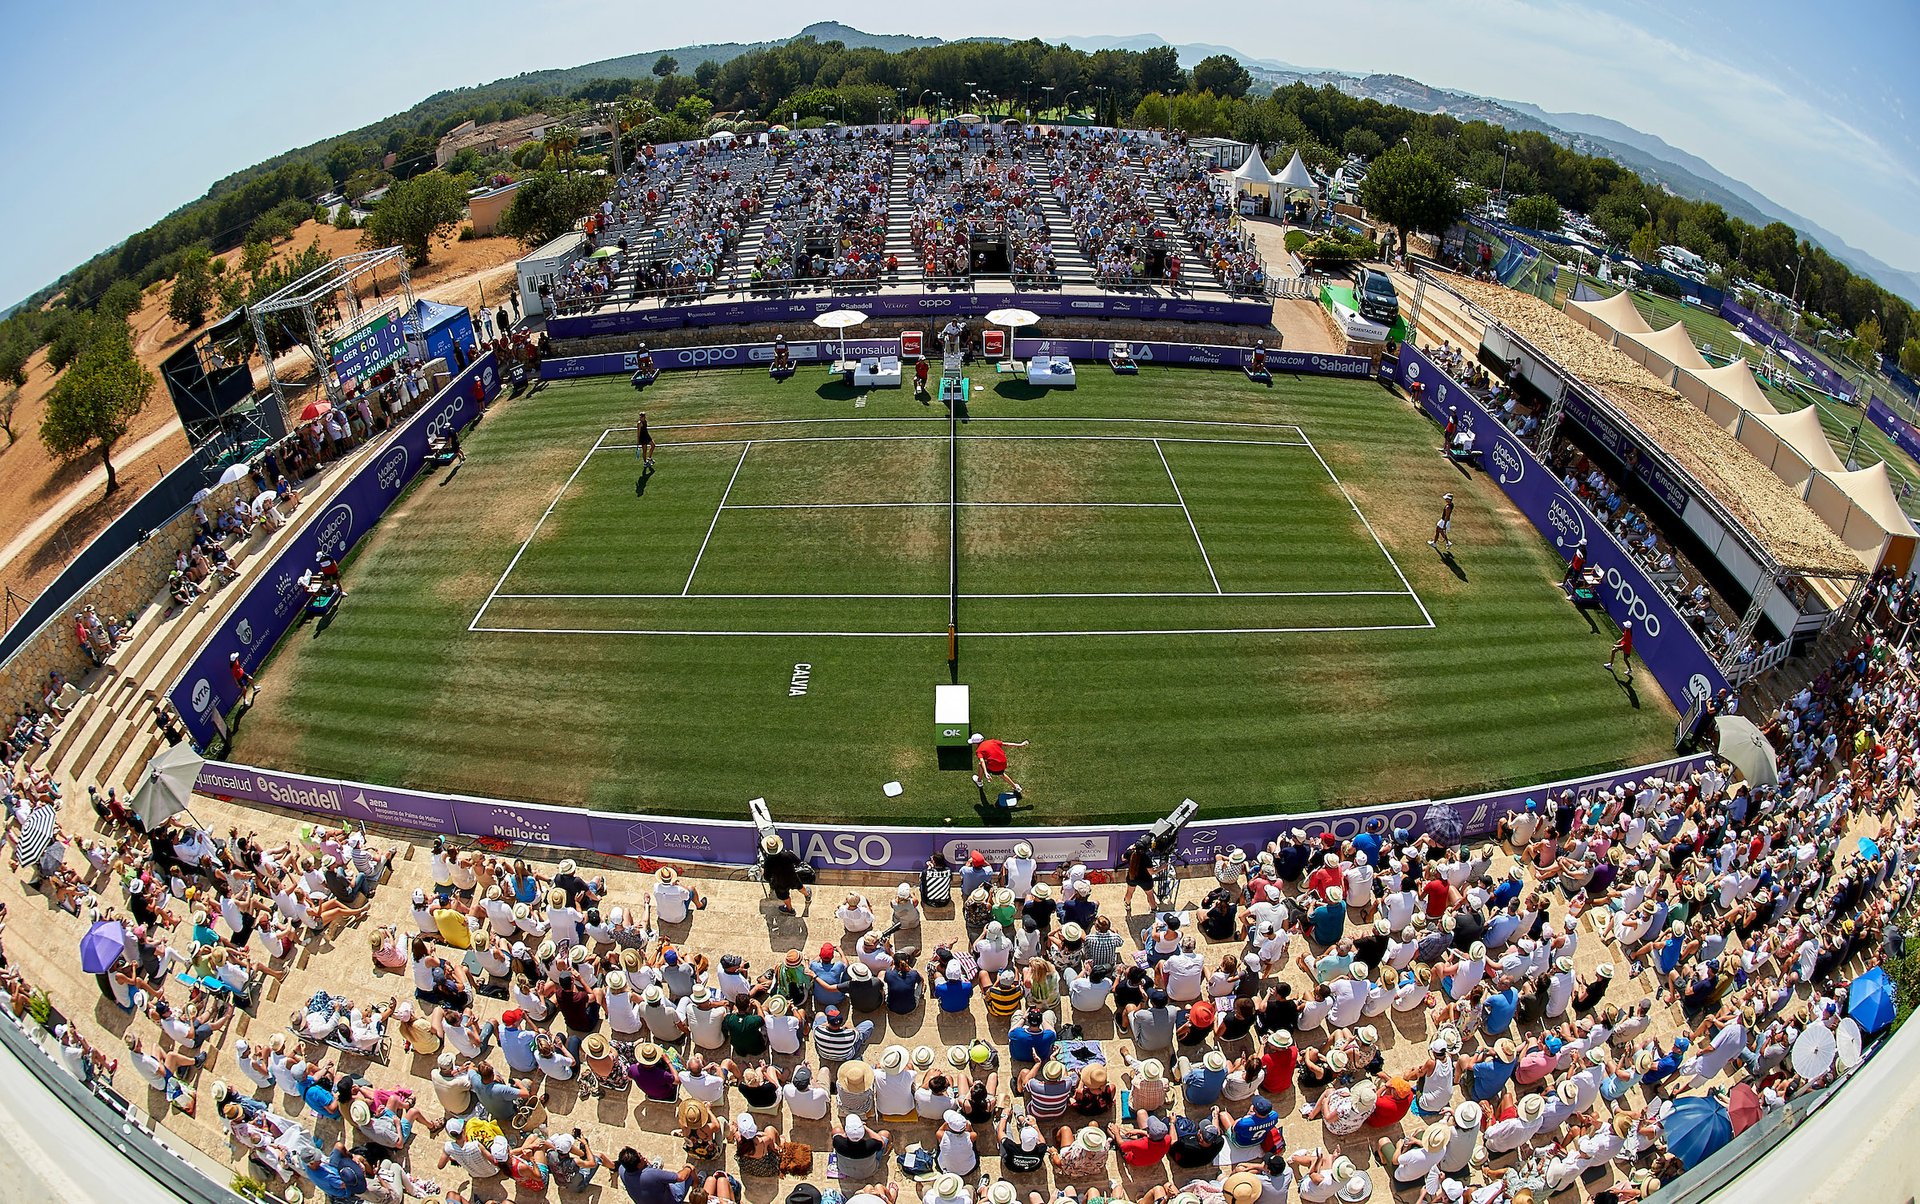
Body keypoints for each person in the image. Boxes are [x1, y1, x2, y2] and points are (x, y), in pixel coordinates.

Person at [969, 733, 1028, 802]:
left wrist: (985, 773)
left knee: (980, 765)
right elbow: (1006, 744)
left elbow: (982, 761)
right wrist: (1020, 745)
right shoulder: (992, 741)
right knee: (1001, 773)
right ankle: (1015, 787)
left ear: (976, 743)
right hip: (1003, 763)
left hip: (995, 766)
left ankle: (979, 781)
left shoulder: (979, 750)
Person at [760, 836, 812, 915]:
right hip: (792, 877)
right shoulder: (788, 854)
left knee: (785, 896)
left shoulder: (768, 862)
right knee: (800, 887)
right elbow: (798, 862)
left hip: (779, 883)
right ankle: (807, 896)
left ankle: (790, 909)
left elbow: (767, 877)